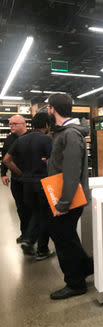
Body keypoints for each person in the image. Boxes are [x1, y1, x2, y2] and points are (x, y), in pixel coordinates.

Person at [46, 93, 93, 300]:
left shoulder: (71, 134)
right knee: (67, 237)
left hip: (69, 198)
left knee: (63, 238)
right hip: (64, 196)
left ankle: (75, 283)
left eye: (48, 107)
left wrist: (63, 204)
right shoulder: (63, 132)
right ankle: (85, 267)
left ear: (52, 109)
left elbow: (72, 172)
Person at [3, 111, 54, 260]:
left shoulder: (21, 140)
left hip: (26, 185)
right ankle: (41, 248)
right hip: (42, 183)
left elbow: (6, 160)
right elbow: (54, 162)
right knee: (45, 215)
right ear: (46, 125)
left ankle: (28, 238)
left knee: (35, 213)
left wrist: (21, 174)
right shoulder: (47, 140)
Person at [1, 115, 28, 243]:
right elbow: (4, 159)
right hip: (17, 180)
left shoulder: (31, 137)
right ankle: (25, 234)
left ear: (23, 124)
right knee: (20, 207)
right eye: (10, 123)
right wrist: (3, 174)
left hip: (30, 179)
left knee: (32, 208)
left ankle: (33, 235)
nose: (11, 126)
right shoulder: (9, 140)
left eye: (14, 124)